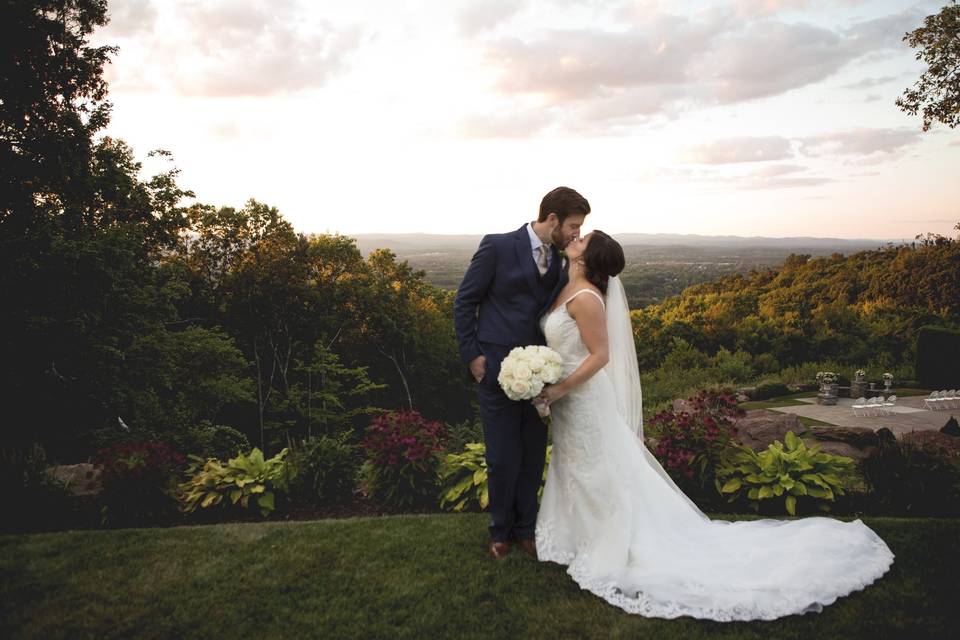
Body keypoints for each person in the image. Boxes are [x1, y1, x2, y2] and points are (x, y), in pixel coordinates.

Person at [533, 230, 894, 621]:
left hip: (583, 399)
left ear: (589, 257)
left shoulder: (586, 297)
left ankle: (606, 541)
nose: (575, 238)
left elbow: (601, 355)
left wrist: (558, 390)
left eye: (583, 239)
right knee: (577, 468)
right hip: (570, 401)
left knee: (597, 470)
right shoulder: (564, 284)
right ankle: (574, 537)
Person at [453, 186, 589, 559]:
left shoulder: (561, 261)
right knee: (502, 457)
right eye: (574, 226)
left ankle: (526, 529)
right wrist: (472, 357)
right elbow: (465, 301)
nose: (577, 233)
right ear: (552, 219)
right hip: (495, 369)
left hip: (540, 373)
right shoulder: (497, 246)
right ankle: (500, 532)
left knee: (532, 456)